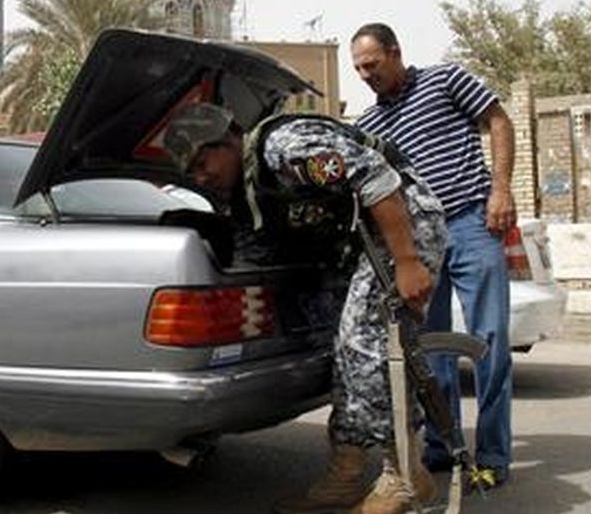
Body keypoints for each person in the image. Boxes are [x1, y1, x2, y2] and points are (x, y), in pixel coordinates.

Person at [162, 102, 448, 514]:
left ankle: (405, 476)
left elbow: (379, 179)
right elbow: (257, 256)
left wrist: (406, 261)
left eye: (203, 162)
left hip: (403, 221)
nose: (201, 176)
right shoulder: (248, 192)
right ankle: (346, 472)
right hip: (361, 240)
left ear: (229, 140)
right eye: (192, 172)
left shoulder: (286, 146)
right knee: (347, 357)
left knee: (366, 344)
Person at [352, 22, 515, 490]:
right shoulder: (368, 126)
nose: (366, 76)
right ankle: (443, 448)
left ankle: (491, 456)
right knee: (429, 352)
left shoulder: (446, 80)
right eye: (359, 69)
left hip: (472, 223)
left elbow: (499, 121)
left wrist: (500, 189)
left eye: (373, 65)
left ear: (396, 52)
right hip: (419, 245)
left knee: (490, 343)